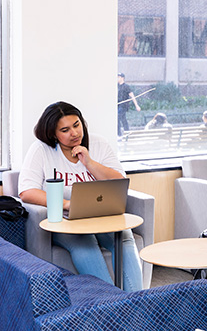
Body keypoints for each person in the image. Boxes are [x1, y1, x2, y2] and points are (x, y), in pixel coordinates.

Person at [18, 101, 143, 291]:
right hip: (66, 220)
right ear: (53, 133)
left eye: (77, 125)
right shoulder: (41, 150)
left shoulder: (99, 143)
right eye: (65, 130)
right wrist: (67, 204)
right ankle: (110, 304)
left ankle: (138, 303)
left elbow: (119, 181)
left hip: (102, 217)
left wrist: (89, 162)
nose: (74, 133)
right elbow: (27, 191)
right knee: (86, 244)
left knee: (124, 239)